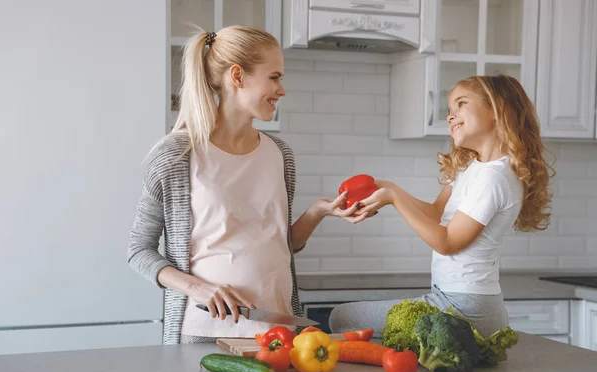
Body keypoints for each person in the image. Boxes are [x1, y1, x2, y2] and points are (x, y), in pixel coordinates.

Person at [127, 26, 366, 345]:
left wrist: (318, 212)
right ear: (237, 76)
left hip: (278, 332)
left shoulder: (280, 154)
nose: (282, 90)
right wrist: (196, 287)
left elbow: (280, 244)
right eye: (275, 77)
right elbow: (138, 250)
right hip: (205, 332)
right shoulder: (177, 155)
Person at [329, 75, 555, 338]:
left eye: (461, 104)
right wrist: (390, 189)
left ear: (498, 110)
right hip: (452, 299)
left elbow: (447, 242)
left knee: (342, 318)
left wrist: (394, 198)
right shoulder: (472, 168)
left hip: (467, 309)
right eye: (449, 110)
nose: (450, 116)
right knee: (348, 321)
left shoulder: (494, 177)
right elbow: (437, 214)